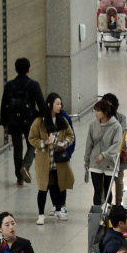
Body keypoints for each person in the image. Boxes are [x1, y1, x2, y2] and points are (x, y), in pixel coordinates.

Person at [29, 92, 75, 225]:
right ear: (49, 105)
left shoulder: (62, 120)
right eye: (57, 104)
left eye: (60, 104)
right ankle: (41, 214)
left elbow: (70, 135)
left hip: (59, 160)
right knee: (43, 187)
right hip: (44, 160)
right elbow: (32, 138)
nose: (60, 106)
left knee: (60, 185)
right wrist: (44, 143)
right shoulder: (39, 122)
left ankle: (59, 210)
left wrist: (65, 142)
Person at [0, 57, 45, 186]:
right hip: (30, 121)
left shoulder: (9, 85)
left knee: (17, 148)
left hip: (14, 121)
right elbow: (41, 103)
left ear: (15, 69)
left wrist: (4, 122)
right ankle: (25, 166)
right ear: (28, 70)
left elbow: (4, 104)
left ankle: (19, 178)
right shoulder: (33, 85)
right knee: (32, 144)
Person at [82, 99, 123, 207]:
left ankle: (107, 213)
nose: (96, 113)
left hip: (110, 162)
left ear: (106, 112)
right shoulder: (93, 125)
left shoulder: (116, 126)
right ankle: (96, 214)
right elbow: (89, 143)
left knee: (107, 189)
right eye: (95, 111)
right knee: (97, 190)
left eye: (98, 111)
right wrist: (87, 160)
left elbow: (116, 145)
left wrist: (104, 155)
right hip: (95, 162)